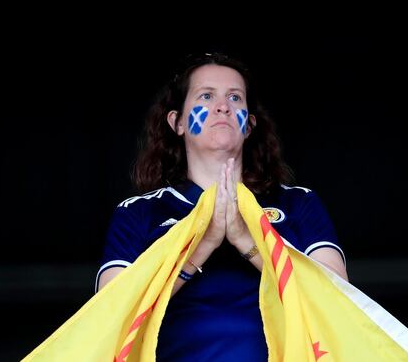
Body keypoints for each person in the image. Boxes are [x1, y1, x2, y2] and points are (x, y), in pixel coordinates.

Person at [95, 52, 347, 361]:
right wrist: (203, 245)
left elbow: (340, 303)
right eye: (206, 95)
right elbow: (109, 317)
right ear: (177, 122)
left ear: (249, 125)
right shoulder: (138, 212)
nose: (223, 106)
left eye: (235, 98)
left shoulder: (297, 202)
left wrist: (246, 240)